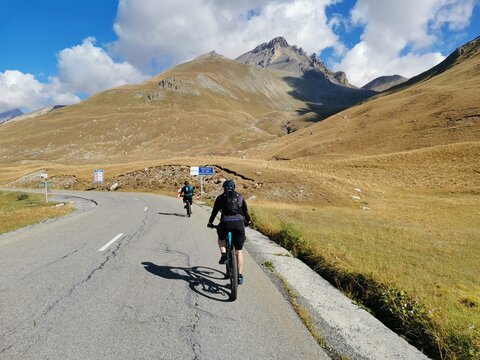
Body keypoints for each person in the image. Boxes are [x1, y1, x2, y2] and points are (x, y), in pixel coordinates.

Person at [207, 179, 251, 285]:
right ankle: (239, 275)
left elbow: (214, 212)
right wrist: (248, 221)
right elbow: (245, 211)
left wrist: (210, 222)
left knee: (221, 237)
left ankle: (223, 254)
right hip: (238, 224)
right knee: (239, 251)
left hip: (225, 223)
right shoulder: (240, 197)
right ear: (234, 187)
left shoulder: (220, 198)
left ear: (223, 187)